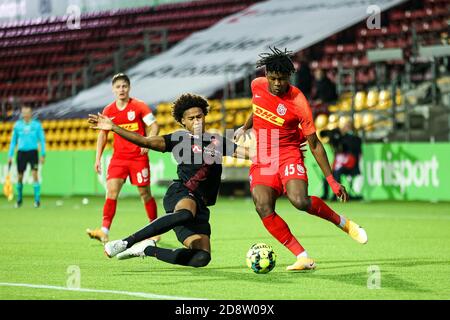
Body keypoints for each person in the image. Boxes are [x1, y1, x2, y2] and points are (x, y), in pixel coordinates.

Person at [234, 47, 367, 271]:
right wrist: (244, 127)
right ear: (266, 75)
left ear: (289, 77)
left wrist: (332, 181)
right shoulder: (256, 85)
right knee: (263, 206)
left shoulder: (298, 101)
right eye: (273, 78)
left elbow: (314, 143)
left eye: (282, 79)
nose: (277, 83)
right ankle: (302, 257)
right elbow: (257, 108)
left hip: (288, 152)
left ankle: (343, 223)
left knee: (300, 201)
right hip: (264, 156)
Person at [88, 93, 249, 267]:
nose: (196, 121)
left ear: (205, 116)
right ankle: (126, 242)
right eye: (191, 118)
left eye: (199, 116)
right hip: (181, 193)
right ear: (183, 121)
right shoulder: (179, 138)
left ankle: (147, 249)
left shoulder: (216, 141)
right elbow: (144, 141)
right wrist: (114, 127)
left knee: (201, 258)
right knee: (186, 212)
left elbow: (249, 154)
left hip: (201, 206)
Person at [86, 73, 160, 244]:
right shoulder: (108, 111)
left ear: (129, 88)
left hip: (138, 158)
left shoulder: (139, 106)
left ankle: (155, 228)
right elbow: (102, 136)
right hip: (119, 158)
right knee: (111, 192)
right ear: (113, 89)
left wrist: (148, 142)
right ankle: (104, 231)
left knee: (145, 193)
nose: (121, 89)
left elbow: (154, 125)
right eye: (118, 87)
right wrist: (97, 158)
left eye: (124, 86)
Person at [8, 105, 46, 208]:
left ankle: (37, 201)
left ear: (31, 113)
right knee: (20, 177)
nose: (26, 114)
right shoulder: (17, 126)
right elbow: (13, 142)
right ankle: (19, 199)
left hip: (33, 152)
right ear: (22, 113)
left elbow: (42, 140)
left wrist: (43, 154)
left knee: (35, 175)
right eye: (24, 112)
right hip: (21, 153)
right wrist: (10, 155)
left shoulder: (36, 125)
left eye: (27, 112)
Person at [321, 120, 362, 200]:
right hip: (340, 164)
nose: (344, 128)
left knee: (337, 172)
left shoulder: (355, 139)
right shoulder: (341, 137)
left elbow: (350, 149)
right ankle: (325, 194)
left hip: (350, 165)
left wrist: (340, 137)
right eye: (344, 126)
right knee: (327, 173)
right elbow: (337, 146)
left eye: (347, 127)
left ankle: (336, 194)